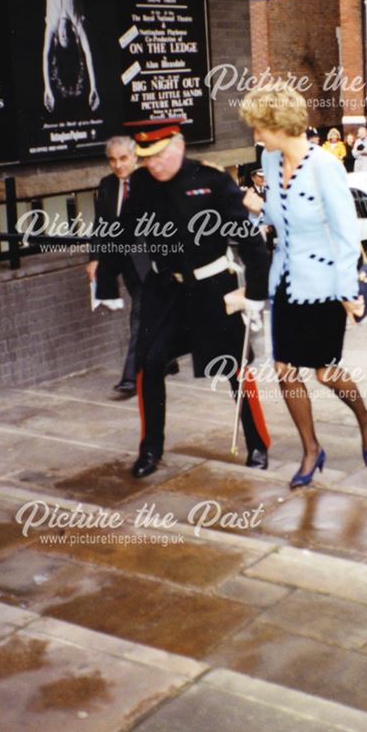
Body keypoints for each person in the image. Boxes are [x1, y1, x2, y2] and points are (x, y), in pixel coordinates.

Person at [239, 84, 367, 487]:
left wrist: (346, 293)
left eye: (258, 128)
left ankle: (365, 418)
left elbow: (345, 234)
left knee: (325, 372)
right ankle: (311, 450)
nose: (256, 136)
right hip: (285, 279)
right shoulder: (269, 158)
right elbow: (278, 216)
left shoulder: (325, 167)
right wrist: (257, 210)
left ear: (278, 124)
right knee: (284, 370)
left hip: (324, 285)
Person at [116, 123, 272, 478]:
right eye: (146, 157)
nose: (152, 164)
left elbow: (250, 241)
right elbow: (122, 228)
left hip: (212, 287)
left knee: (234, 367)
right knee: (149, 365)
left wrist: (256, 295)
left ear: (179, 146)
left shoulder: (212, 180)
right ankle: (150, 449)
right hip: (166, 291)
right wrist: (102, 261)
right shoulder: (140, 184)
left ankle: (257, 443)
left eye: (158, 155)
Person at [87, 136, 150, 398]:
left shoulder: (149, 182)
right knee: (145, 313)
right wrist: (95, 258)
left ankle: (130, 378)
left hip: (149, 261)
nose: (118, 165)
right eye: (112, 159)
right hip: (122, 262)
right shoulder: (106, 185)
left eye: (123, 158)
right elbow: (101, 226)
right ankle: (166, 359)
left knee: (140, 314)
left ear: (135, 157)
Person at [42, 0, 99, 113]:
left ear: (56, 38)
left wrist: (48, 88)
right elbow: (88, 53)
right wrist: (93, 86)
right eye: (67, 36)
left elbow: (46, 55)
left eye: (62, 37)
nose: (64, 33)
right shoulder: (77, 21)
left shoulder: (52, 23)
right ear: (74, 37)